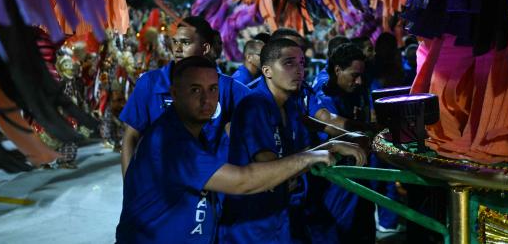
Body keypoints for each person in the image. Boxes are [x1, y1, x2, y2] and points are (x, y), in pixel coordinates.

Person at [116, 57, 360, 244]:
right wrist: (312, 156)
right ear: (174, 93)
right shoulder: (171, 141)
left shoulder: (199, 133)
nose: (206, 99)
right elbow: (243, 181)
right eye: (194, 90)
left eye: (212, 89)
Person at [220, 39, 368, 243]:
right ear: (267, 70)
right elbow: (272, 171)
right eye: (289, 63)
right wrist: (327, 148)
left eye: (301, 63)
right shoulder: (254, 105)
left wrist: (335, 144)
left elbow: (303, 151)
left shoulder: (291, 106)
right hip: (252, 227)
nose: (299, 70)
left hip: (283, 219)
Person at [119, 16, 249, 176]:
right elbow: (130, 137)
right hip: (163, 189)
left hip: (213, 190)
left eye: (186, 42)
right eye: (175, 42)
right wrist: (130, 188)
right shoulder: (150, 83)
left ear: (205, 48)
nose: (177, 49)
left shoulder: (229, 88)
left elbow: (258, 125)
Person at [308, 43, 377, 243]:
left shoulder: (355, 86)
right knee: (341, 231)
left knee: (364, 225)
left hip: (358, 168)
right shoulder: (324, 90)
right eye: (354, 75)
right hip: (336, 176)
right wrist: (368, 131)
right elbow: (328, 123)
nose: (359, 80)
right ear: (337, 70)